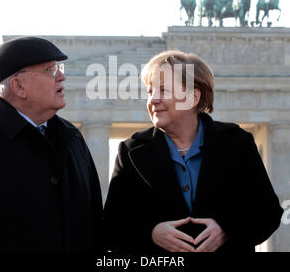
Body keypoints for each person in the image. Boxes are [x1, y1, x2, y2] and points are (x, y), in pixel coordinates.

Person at [103, 50, 283, 253]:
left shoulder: (237, 143)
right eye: (150, 91)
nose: (153, 100)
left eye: (163, 90)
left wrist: (227, 228)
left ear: (193, 96)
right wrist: (152, 233)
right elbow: (111, 227)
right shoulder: (131, 152)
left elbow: (268, 213)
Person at [0, 36, 102, 252]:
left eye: (59, 68)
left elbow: (94, 220)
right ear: (19, 86)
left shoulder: (73, 139)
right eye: (50, 70)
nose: (62, 76)